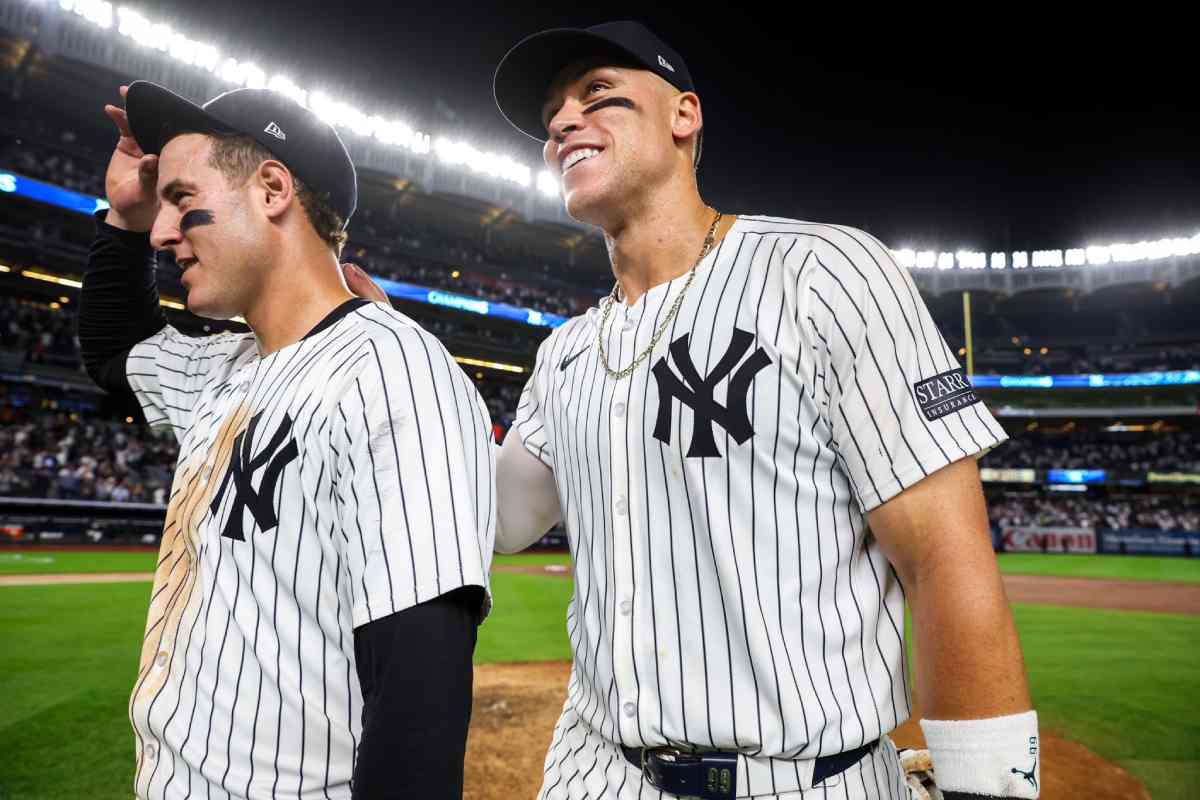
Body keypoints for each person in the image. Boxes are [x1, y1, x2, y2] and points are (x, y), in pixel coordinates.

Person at [361, 19, 1041, 800]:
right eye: (554, 117)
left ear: (684, 115)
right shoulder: (567, 350)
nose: (561, 125)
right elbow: (497, 519)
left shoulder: (821, 271)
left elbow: (943, 556)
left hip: (803, 782)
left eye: (598, 95)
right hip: (596, 776)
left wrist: (991, 791)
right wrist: (401, 374)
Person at [78, 81, 495, 799]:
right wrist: (120, 215)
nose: (162, 232)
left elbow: (418, 686)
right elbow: (116, 349)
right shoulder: (225, 361)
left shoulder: (391, 368)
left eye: (182, 199)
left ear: (272, 188)